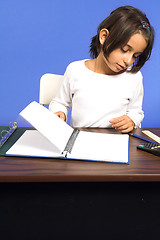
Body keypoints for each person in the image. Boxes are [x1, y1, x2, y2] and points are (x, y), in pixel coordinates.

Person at [49, 6, 154, 133]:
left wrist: (131, 119)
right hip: (78, 142)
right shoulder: (75, 70)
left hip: (115, 143)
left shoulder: (134, 77)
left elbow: (136, 111)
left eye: (135, 56)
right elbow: (59, 102)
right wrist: (59, 112)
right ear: (104, 36)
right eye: (124, 50)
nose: (128, 60)